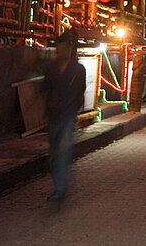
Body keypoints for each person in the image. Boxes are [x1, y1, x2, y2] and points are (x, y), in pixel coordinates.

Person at [42, 31, 86, 203]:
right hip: (53, 115)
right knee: (54, 154)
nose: (62, 51)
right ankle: (58, 184)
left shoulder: (78, 69)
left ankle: (59, 190)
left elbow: (80, 91)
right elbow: (45, 90)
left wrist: (75, 111)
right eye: (59, 47)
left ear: (69, 49)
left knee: (62, 152)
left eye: (65, 47)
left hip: (68, 115)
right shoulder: (50, 68)